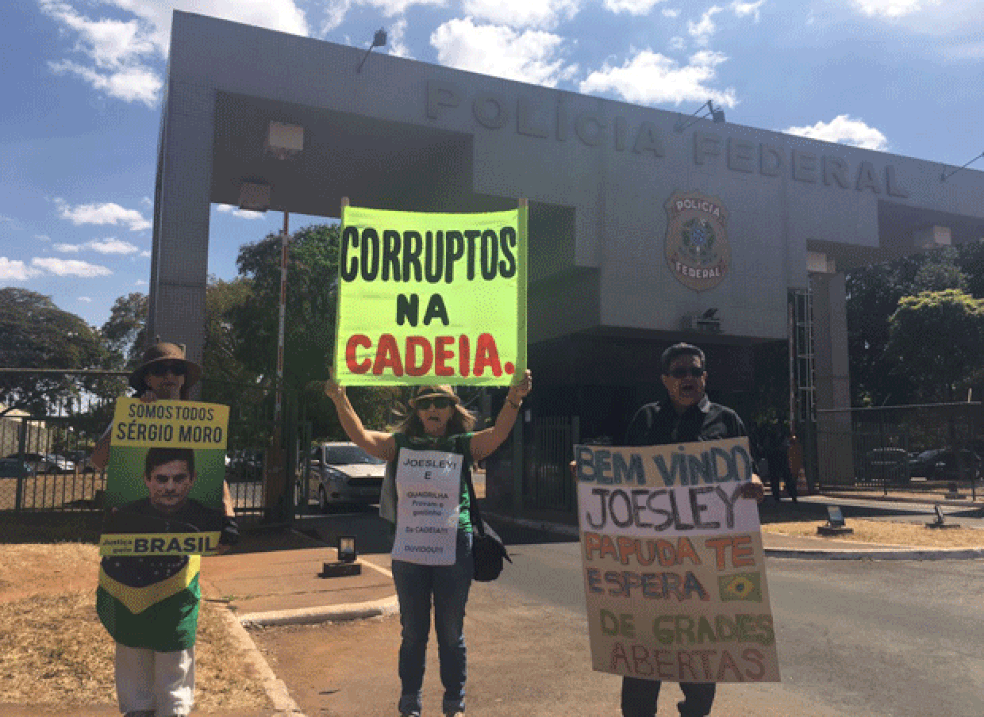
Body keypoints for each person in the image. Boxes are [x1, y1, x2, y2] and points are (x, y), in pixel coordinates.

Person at [325, 370, 532, 717]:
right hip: (410, 551)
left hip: (455, 548)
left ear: (452, 409)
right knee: (413, 631)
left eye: (441, 403)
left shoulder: (463, 445)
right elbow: (361, 436)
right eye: (426, 403)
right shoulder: (399, 445)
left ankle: (454, 701)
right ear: (416, 410)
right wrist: (339, 398)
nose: (433, 409)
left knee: (451, 631)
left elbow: (497, 434)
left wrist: (514, 398)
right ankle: (411, 700)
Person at [91, 340, 238, 717]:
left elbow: (217, 476)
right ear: (146, 379)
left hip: (177, 568)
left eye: (177, 370)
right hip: (128, 566)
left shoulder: (200, 419)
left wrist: (229, 518)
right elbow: (95, 461)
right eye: (160, 370)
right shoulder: (127, 414)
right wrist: (126, 421)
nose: (170, 377)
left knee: (175, 654)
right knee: (132, 654)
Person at [619, 342, 763, 717]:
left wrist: (755, 483)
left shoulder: (726, 420)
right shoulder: (646, 419)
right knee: (644, 650)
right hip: (652, 558)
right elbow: (623, 474)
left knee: (700, 655)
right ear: (666, 379)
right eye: (680, 372)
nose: (689, 378)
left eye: (695, 372)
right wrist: (586, 472)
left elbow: (746, 469)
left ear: (705, 377)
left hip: (705, 559)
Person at [106, 447, 225, 535]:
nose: (170, 487)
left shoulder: (211, 520)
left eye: (179, 478)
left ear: (193, 478)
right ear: (146, 479)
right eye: (161, 479)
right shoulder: (122, 519)